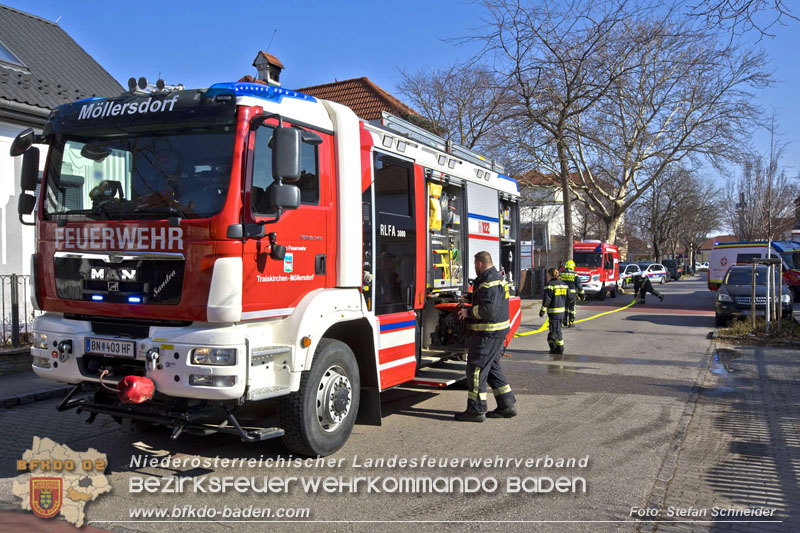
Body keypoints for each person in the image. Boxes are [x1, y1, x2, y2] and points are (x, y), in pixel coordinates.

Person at [455, 251, 516, 423]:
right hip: (495, 333)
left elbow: (489, 309)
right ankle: (507, 405)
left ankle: (476, 410)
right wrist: (471, 297)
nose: (474, 268)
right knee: (492, 368)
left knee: (475, 369)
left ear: (479, 263)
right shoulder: (495, 278)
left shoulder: (489, 280)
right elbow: (490, 299)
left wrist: (468, 312)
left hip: (487, 333)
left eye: (475, 265)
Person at [540, 267, 574, 354]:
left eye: (547, 275)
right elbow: (570, 298)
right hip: (561, 312)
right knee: (554, 330)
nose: (547, 277)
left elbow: (547, 299)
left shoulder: (550, 285)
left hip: (553, 312)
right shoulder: (564, 285)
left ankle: (559, 348)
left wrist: (542, 310)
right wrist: (563, 304)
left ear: (550, 275)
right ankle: (554, 347)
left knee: (556, 331)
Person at [559, 260, 584, 327]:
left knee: (564, 308)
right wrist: (582, 295)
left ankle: (563, 321)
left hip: (563, 294)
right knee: (572, 308)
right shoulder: (575, 275)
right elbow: (579, 286)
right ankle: (571, 322)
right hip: (572, 294)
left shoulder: (561, 274)